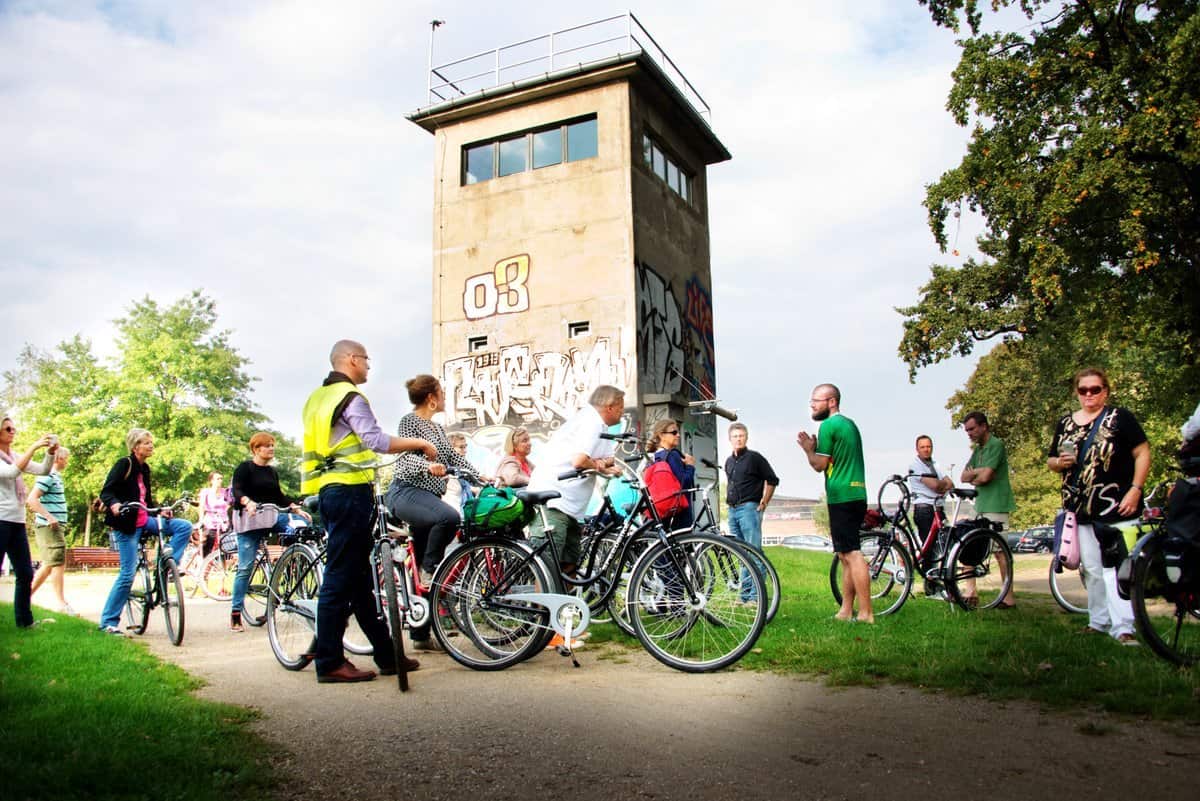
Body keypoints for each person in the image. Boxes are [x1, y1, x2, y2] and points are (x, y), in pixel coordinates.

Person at [303, 341, 436, 683]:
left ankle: (386, 654)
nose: (368, 366)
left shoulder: (317, 398)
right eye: (366, 360)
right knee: (337, 580)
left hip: (329, 492)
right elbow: (375, 440)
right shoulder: (349, 396)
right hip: (349, 492)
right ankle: (329, 661)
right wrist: (420, 444)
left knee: (359, 580)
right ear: (351, 360)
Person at [384, 375, 487, 652]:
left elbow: (454, 459)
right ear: (431, 397)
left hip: (427, 498)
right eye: (441, 392)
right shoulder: (410, 421)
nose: (444, 397)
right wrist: (426, 466)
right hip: (405, 492)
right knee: (449, 518)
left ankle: (421, 637)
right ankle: (428, 570)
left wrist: (481, 477)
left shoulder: (439, 429)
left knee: (427, 567)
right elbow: (406, 457)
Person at [1048, 368, 1149, 645]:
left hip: (1118, 505)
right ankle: (1099, 621)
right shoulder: (1066, 423)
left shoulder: (1120, 419)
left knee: (1118, 568)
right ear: (1076, 392)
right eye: (1083, 390)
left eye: (1095, 389)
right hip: (1080, 508)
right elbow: (1051, 460)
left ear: (1105, 391)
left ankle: (1124, 626)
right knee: (1092, 568)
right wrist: (1060, 463)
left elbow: (1142, 452)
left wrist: (1135, 490)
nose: (1089, 395)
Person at [526, 385, 625, 647]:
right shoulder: (591, 421)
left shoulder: (600, 427)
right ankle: (546, 633)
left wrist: (603, 465)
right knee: (548, 567)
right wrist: (599, 466)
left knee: (568, 567)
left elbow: (603, 460)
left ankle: (565, 626)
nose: (623, 412)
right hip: (553, 499)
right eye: (622, 406)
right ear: (610, 406)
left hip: (571, 506)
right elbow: (580, 461)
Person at [98, 428, 194, 635]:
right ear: (135, 446)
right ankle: (108, 621)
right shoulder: (125, 464)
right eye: (146, 442)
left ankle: (167, 566)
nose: (151, 445)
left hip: (146, 519)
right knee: (127, 573)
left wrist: (160, 510)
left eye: (151, 442)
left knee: (183, 526)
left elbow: (146, 500)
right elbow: (107, 491)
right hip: (127, 523)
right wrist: (114, 504)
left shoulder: (145, 469)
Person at [797, 384, 872, 623]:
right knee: (844, 554)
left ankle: (866, 613)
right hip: (857, 494)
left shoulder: (828, 425)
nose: (812, 405)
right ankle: (846, 610)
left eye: (816, 400)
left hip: (842, 496)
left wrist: (809, 450)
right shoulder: (850, 425)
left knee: (852, 554)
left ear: (832, 402)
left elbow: (820, 464)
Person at [228, 432, 308, 632]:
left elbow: (278, 496)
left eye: (273, 445)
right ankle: (236, 613)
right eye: (267, 446)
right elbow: (236, 490)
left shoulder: (272, 472)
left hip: (269, 519)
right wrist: (247, 501)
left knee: (298, 526)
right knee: (245, 568)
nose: (272, 448)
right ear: (256, 449)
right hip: (249, 523)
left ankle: (290, 564)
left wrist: (295, 508)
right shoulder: (245, 468)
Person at [0, 414, 58, 628]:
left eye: (14, 428)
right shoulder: (9, 459)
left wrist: (49, 453)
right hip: (1, 520)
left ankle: (24, 622)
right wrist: (33, 446)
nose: (13, 431)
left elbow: (42, 470)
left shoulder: (14, 455)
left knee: (25, 573)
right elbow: (12, 471)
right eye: (8, 429)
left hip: (16, 521)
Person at [960, 411, 1017, 608]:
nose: (969, 433)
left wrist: (977, 475)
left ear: (984, 426)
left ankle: (1008, 598)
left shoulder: (996, 445)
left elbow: (985, 477)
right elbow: (963, 476)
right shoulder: (977, 451)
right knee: (966, 543)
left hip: (996, 504)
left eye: (972, 429)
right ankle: (970, 591)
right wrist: (979, 473)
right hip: (980, 504)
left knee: (1000, 552)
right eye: (967, 430)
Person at [723, 422, 779, 604]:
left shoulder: (755, 458)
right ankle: (744, 596)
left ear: (746, 437)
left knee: (754, 553)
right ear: (730, 439)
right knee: (741, 554)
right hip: (732, 510)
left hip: (749, 509)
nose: (738, 439)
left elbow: (772, 479)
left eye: (741, 436)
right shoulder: (729, 461)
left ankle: (756, 597)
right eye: (735, 436)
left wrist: (765, 501)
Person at [28, 446, 76, 615]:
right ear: (58, 459)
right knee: (58, 563)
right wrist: (49, 517)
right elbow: (32, 499)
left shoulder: (56, 476)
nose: (67, 461)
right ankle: (61, 604)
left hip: (55, 527)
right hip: (49, 527)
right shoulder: (48, 475)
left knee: (49, 564)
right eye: (66, 458)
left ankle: (24, 598)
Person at [908, 435, 954, 586]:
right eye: (922, 447)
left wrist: (941, 485)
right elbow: (936, 486)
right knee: (930, 549)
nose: (926, 450)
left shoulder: (935, 464)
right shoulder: (916, 465)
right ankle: (930, 586)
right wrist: (941, 485)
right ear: (917, 449)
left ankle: (940, 581)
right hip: (925, 510)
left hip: (938, 508)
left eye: (928, 446)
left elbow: (950, 484)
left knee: (944, 545)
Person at [646, 418, 695, 530]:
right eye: (674, 432)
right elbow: (684, 482)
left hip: (662, 510)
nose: (678, 435)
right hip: (679, 511)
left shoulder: (653, 457)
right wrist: (690, 466)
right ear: (661, 435)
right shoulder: (672, 455)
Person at [439, 432, 475, 516]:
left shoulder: (462, 468)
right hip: (455, 512)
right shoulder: (446, 470)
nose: (465, 451)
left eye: (465, 447)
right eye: (461, 447)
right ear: (450, 449)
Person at [197, 471, 230, 556]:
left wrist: (224, 511)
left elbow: (229, 503)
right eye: (217, 479)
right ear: (212, 481)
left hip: (223, 523)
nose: (220, 480)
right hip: (210, 522)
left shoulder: (225, 492)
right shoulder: (206, 492)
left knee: (224, 549)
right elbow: (201, 507)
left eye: (221, 478)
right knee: (207, 547)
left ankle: (223, 568)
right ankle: (202, 566)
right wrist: (201, 521)